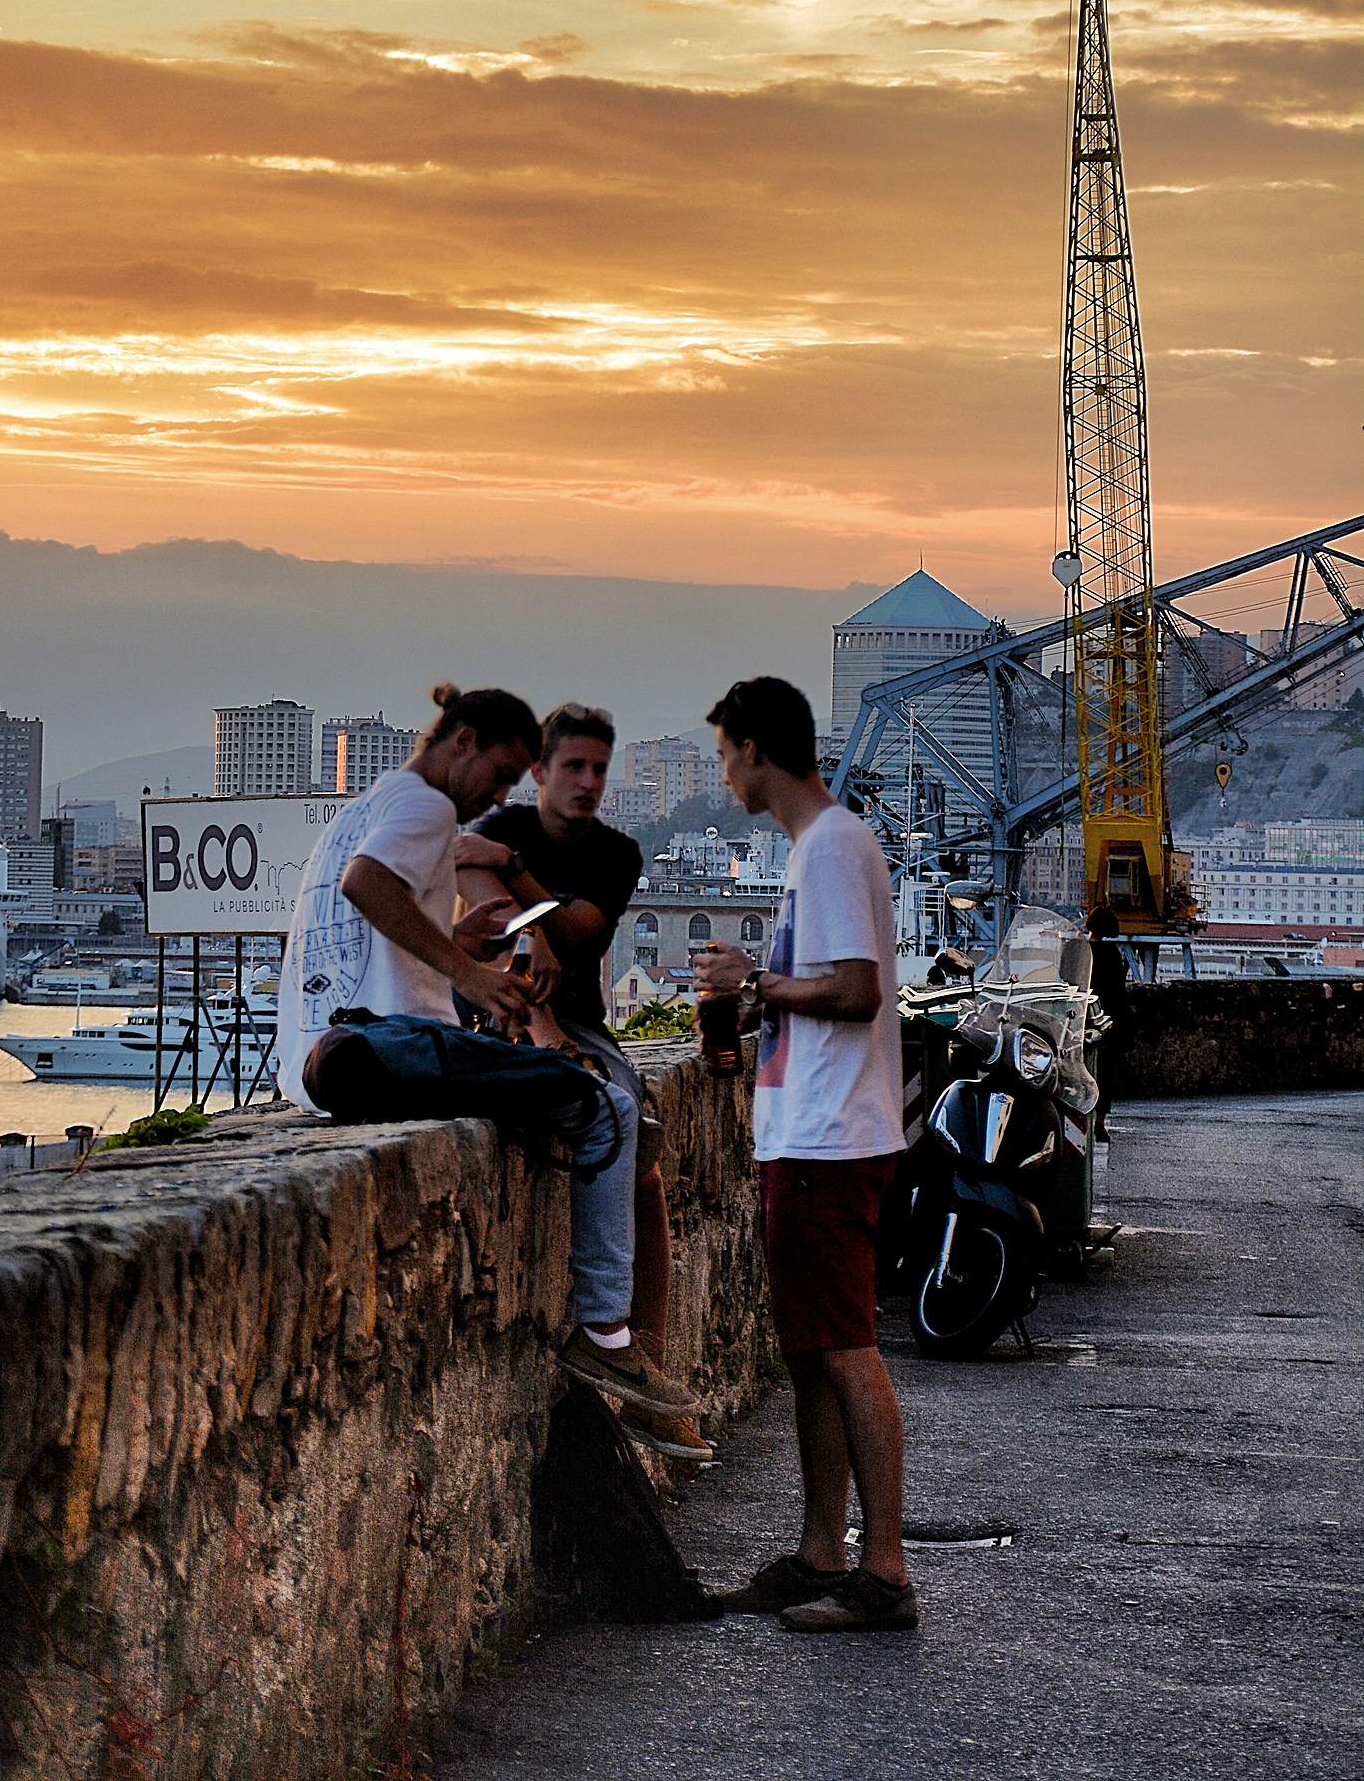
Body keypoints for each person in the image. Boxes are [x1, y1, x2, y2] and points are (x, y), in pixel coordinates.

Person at [277, 682, 697, 1441]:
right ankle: (606, 1337)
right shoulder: (428, 806)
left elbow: (375, 922)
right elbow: (365, 886)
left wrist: (463, 949)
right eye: (501, 773)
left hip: (320, 1056)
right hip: (384, 1049)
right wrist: (471, 977)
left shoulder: (363, 805)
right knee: (607, 1109)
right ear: (461, 741)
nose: (497, 793)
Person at [696, 675, 917, 1634]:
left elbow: (857, 991)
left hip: (833, 1135)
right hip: (808, 1130)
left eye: (722, 753)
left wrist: (759, 983)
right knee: (811, 1350)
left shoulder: (831, 848)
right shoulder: (820, 849)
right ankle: (823, 1550)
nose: (723, 772)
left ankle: (885, 1570)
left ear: (754, 750)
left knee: (847, 1348)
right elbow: (825, 985)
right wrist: (761, 999)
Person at [459, 702, 708, 1463]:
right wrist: (529, 932)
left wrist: (522, 885)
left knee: (644, 1149)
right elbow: (492, 905)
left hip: (582, 1020)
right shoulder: (500, 831)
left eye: (600, 768)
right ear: (540, 771)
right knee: (610, 1112)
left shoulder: (616, 851)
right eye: (573, 766)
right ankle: (613, 1337)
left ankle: (643, 1362)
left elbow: (585, 934)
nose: (589, 782)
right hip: (493, 1011)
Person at [1085, 903, 1132, 1141]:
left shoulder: (1079, 949)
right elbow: (1117, 990)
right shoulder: (1111, 953)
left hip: (1080, 1016)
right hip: (1103, 1018)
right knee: (1104, 1073)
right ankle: (1099, 1123)